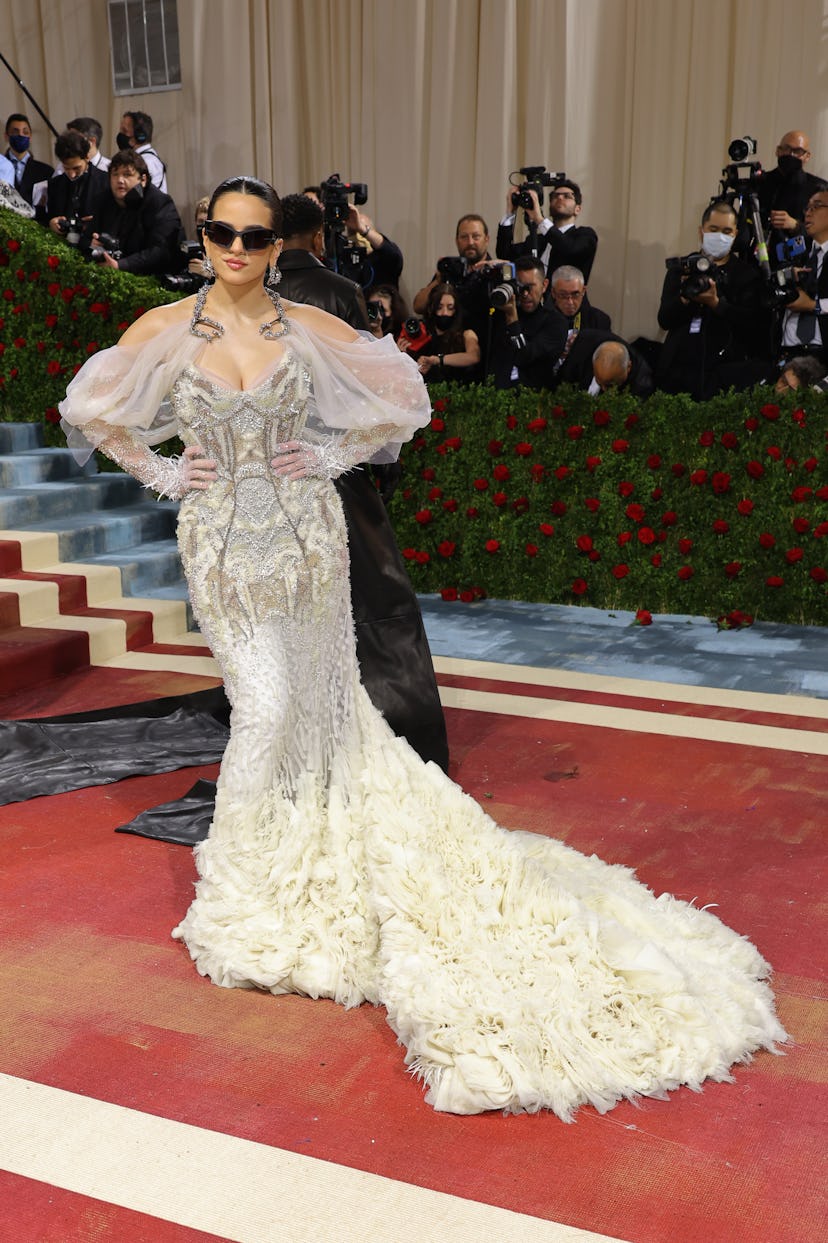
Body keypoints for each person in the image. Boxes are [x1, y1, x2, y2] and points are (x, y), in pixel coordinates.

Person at [59, 175, 786, 1119]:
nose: (235, 248)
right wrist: (162, 468)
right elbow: (92, 409)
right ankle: (245, 889)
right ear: (203, 237)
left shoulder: (306, 330)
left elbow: (400, 399)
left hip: (310, 543)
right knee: (267, 703)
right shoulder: (165, 327)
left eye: (253, 235)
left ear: (279, 245)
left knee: (317, 704)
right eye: (221, 233)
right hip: (226, 548)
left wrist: (325, 455)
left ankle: (281, 855)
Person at [278, 191, 448, 770]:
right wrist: (380, 459)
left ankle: (301, 722)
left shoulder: (248, 296)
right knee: (374, 594)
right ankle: (386, 719)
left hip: (264, 470)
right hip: (333, 466)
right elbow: (362, 388)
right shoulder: (340, 293)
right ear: (321, 238)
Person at [656, 200, 771, 398]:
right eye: (714, 229)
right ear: (702, 231)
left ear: (735, 234)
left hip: (723, 370)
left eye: (726, 231)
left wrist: (717, 304)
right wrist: (684, 298)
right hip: (678, 366)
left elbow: (754, 325)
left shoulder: (747, 274)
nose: (720, 236)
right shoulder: (682, 268)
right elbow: (664, 319)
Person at [81, 149, 184, 276]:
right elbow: (86, 237)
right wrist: (92, 243)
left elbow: (161, 251)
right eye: (115, 174)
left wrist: (121, 265)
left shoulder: (160, 203)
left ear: (143, 179)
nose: (120, 180)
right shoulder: (104, 199)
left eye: (127, 175)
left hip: (151, 277)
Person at [496, 179, 598, 283]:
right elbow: (504, 254)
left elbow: (569, 248)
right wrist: (510, 212)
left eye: (566, 196)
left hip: (567, 298)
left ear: (578, 209)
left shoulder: (586, 235)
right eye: (555, 196)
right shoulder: (537, 240)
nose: (559, 198)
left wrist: (539, 219)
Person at [488, 256, 566, 389]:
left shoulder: (556, 322)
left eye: (530, 287)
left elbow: (524, 357)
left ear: (544, 285)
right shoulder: (499, 311)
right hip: (494, 396)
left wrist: (512, 318)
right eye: (520, 286)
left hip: (531, 400)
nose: (524, 294)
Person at [756, 130, 825, 263]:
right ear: (777, 151)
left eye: (797, 151)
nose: (790, 155)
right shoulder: (759, 184)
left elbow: (824, 234)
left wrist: (796, 226)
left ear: (807, 156)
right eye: (786, 149)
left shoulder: (820, 189)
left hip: (801, 266)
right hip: (758, 265)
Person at [776, 189, 828, 367]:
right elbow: (772, 274)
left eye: (817, 206)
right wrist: (788, 275)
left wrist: (814, 306)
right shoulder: (798, 246)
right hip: (788, 349)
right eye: (807, 208)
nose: (808, 212)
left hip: (821, 353)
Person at [401, 283, 481, 383]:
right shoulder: (420, 332)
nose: (445, 313)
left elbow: (473, 357)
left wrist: (438, 360)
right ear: (431, 308)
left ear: (456, 310)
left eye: (450, 308)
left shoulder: (467, 334)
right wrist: (401, 354)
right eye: (439, 307)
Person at [46, 130, 108, 241]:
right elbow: (49, 217)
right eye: (66, 168)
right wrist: (51, 223)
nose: (72, 174)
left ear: (87, 157)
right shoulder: (54, 185)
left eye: (76, 168)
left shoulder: (106, 182)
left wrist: (97, 222)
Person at [556, 330, 655, 398]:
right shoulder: (583, 346)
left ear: (628, 367)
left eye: (610, 385)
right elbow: (562, 383)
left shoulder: (641, 387)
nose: (603, 388)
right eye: (599, 382)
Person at [4, 113, 53, 209]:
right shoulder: (2, 167)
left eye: (25, 132)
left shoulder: (46, 171)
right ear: (6, 136)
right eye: (15, 132)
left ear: (30, 136)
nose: (20, 135)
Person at [117, 110, 167, 192]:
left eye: (124, 131)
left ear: (140, 136)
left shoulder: (148, 162)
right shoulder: (137, 158)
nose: (120, 135)